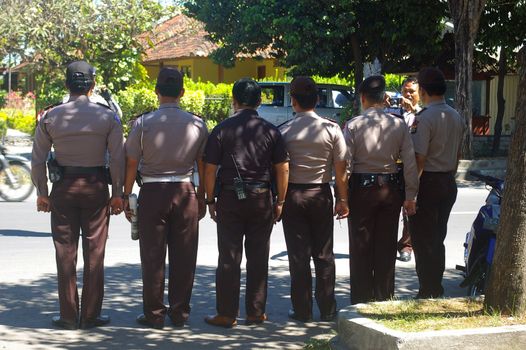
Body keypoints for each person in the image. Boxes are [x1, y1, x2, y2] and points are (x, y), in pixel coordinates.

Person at [31, 60, 124, 330]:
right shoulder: (107, 116)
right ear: (93, 86)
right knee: (95, 253)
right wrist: (117, 193)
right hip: (96, 187)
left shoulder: (51, 116)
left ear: (65, 85)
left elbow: (38, 160)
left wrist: (42, 192)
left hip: (63, 189)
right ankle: (91, 315)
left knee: (65, 252)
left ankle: (69, 316)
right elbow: (117, 158)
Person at [123, 67, 208, 329]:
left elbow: (131, 163)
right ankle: (180, 313)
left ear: (156, 92)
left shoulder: (143, 123)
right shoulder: (197, 123)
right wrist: (203, 197)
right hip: (185, 193)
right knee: (185, 256)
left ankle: (154, 314)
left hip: (152, 192)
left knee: (152, 256)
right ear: (182, 92)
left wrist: (126, 195)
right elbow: (202, 165)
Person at [203, 78, 289, 328]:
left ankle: (226, 314)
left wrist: (210, 199)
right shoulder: (272, 131)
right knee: (258, 256)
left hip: (230, 197)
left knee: (229, 257)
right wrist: (280, 200)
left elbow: (209, 169)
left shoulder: (221, 129)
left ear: (234, 100)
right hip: (262, 197)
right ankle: (255, 312)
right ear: (260, 102)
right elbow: (283, 168)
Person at [279, 76, 349, 322]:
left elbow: (280, 169)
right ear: (318, 100)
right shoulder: (331, 129)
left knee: (298, 256)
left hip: (293, 196)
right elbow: (341, 170)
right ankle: (328, 308)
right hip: (321, 194)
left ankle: (302, 310)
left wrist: (279, 201)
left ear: (293, 100)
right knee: (324, 255)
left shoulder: (284, 131)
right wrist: (343, 200)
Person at [344, 75, 418, 305]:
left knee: (360, 246)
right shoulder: (398, 125)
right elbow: (409, 162)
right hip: (390, 190)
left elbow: (345, 164)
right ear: (384, 97)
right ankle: (384, 299)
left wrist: (342, 197)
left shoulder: (353, 125)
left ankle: (360, 300)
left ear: (363, 98)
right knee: (386, 247)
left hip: (361, 191)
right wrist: (411, 196)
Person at [408, 67, 465, 299]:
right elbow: (459, 153)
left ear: (422, 90)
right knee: (437, 237)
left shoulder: (424, 118)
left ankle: (427, 290)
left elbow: (419, 159)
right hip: (448, 181)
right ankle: (435, 287)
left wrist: (411, 194)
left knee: (422, 240)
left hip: (428, 182)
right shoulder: (455, 115)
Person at [396, 77, 422, 263]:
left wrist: (414, 112)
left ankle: (407, 245)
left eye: (412, 91)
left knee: (410, 207)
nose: (408, 95)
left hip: (413, 166)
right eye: (405, 91)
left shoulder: (423, 115)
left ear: (420, 94)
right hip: (393, 166)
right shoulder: (394, 112)